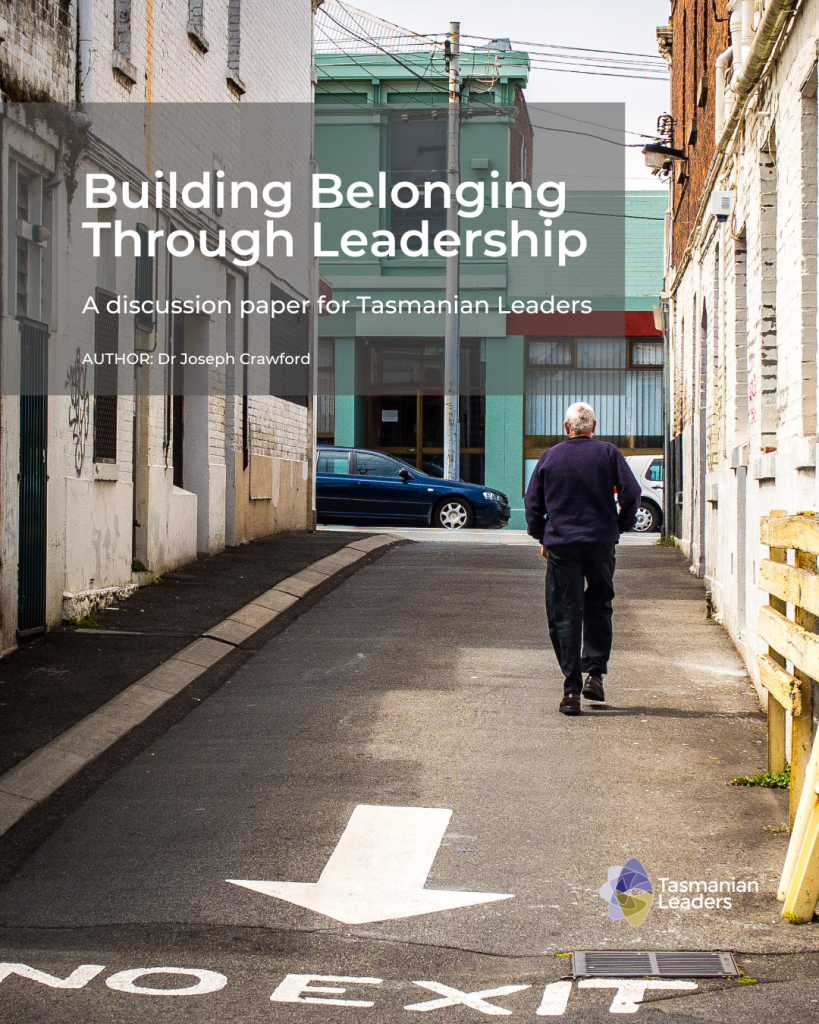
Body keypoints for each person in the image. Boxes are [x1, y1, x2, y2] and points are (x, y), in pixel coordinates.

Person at [524, 401, 641, 715]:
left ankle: (571, 690)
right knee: (600, 603)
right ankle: (595, 675)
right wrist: (619, 525)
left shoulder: (549, 457)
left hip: (563, 544)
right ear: (594, 427)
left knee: (565, 612)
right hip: (600, 541)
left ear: (566, 428)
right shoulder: (608, 453)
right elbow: (631, 492)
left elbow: (532, 502)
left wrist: (542, 536)